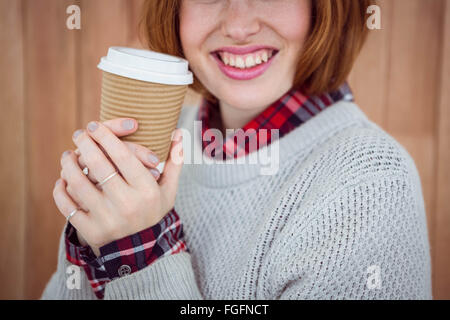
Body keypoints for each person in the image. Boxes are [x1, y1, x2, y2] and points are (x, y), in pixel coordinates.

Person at [42, 0, 432, 300]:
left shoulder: (371, 183)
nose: (239, 26)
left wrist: (141, 253)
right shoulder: (164, 136)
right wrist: (96, 235)